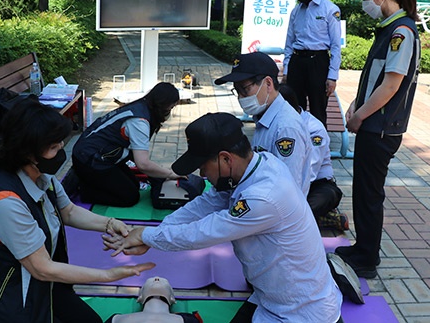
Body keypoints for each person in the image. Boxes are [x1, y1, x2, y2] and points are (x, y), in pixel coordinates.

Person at [103, 112, 343, 323]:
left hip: (301, 312)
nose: (201, 173)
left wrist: (146, 235)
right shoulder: (258, 164)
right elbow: (208, 202)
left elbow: (204, 232)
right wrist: (158, 231)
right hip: (271, 298)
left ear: (227, 158)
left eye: (203, 165)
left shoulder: (263, 197)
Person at [0, 98, 155, 323]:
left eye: (61, 143)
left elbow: (69, 212)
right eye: (54, 147)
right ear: (27, 153)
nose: (62, 150)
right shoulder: (6, 202)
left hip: (46, 284)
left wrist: (110, 223)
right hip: (9, 297)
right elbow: (42, 268)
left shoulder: (43, 177)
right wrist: (108, 275)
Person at [335, 0, 421, 279]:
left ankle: (367, 259)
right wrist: (355, 104)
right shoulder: (390, 29)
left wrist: (359, 116)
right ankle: (362, 248)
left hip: (381, 127)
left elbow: (391, 85)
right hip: (374, 123)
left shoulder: (401, 32)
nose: (363, 1)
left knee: (370, 193)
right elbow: (375, 77)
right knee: (363, 190)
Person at [214, 51, 313, 197]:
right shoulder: (265, 118)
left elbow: (286, 189)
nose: (241, 97)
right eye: (237, 91)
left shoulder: (285, 127)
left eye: (245, 89)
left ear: (268, 83)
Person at [70, 82, 181, 207]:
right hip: (88, 159)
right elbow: (143, 164)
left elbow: (138, 155)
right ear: (162, 104)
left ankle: (88, 180)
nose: (169, 112)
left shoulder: (141, 106)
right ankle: (84, 190)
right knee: (129, 197)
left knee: (134, 184)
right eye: (170, 108)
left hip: (99, 153)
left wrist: (161, 174)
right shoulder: (139, 121)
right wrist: (170, 174)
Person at [279, 84, 348, 232]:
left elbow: (309, 172)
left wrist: (287, 197)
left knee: (294, 212)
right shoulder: (278, 124)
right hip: (286, 183)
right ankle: (320, 219)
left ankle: (314, 217)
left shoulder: (314, 129)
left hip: (316, 184)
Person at [283, 0, 342, 127]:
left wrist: (332, 76)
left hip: (318, 62)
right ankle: (297, 143)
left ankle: (318, 146)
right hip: (297, 62)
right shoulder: (296, 11)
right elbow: (289, 42)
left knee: (318, 108)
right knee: (293, 107)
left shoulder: (330, 9)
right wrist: (286, 69)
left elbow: (336, 46)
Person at [104, 277, 201, 323]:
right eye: (150, 280)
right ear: (140, 297)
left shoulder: (117, 319)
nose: (157, 279)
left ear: (172, 298)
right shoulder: (116, 319)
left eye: (164, 281)